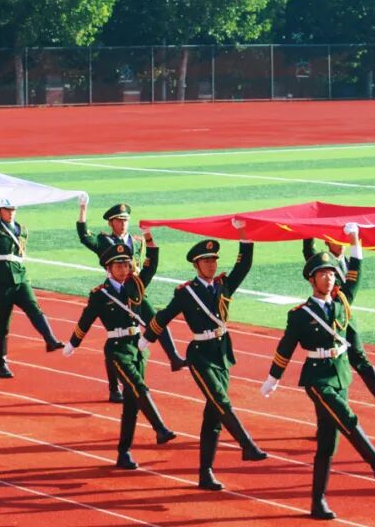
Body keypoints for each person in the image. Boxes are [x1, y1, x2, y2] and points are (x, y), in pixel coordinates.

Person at [262, 225, 375, 521]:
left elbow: (356, 272)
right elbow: (286, 347)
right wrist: (273, 378)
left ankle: (317, 502)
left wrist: (354, 240)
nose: (329, 278)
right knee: (347, 417)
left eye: (332, 274)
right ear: (312, 280)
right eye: (323, 274)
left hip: (340, 375)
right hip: (317, 378)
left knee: (327, 444)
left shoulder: (341, 303)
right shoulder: (300, 314)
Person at [142, 221, 267, 491]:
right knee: (221, 400)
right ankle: (247, 445)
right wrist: (146, 339)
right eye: (206, 261)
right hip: (200, 356)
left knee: (213, 415)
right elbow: (164, 316)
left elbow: (244, 265)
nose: (211, 265)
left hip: (222, 354)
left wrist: (243, 232)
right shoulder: (186, 293)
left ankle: (205, 473)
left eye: (213, 260)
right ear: (196, 265)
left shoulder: (223, 285)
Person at [63, 238, 176, 470]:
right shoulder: (100, 294)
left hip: (138, 348)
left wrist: (150, 240)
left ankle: (124, 453)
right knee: (138, 387)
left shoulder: (136, 285)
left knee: (132, 403)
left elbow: (151, 267)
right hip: (116, 348)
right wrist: (73, 343)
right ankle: (160, 428)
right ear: (108, 268)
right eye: (118, 266)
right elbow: (86, 319)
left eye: (126, 265)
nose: (124, 270)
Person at [77, 196, 186, 403]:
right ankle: (113, 388)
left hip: (136, 292)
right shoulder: (104, 241)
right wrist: (83, 208)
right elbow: (84, 236)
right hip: (115, 294)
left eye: (125, 220)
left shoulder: (137, 241)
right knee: (116, 340)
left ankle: (174, 357)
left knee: (157, 322)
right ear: (111, 223)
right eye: (119, 220)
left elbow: (145, 264)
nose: (123, 223)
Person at [302, 237, 375, 419]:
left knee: (360, 358)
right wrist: (308, 232)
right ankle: (330, 415)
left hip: (347, 319)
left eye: (343, 240)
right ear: (327, 242)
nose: (341, 243)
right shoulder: (322, 262)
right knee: (331, 367)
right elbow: (308, 251)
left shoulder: (348, 262)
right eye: (336, 240)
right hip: (328, 321)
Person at [0, 204, 64, 378]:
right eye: (7, 210)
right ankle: (2, 364)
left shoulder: (22, 229)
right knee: (3, 324)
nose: (11, 213)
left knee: (34, 308)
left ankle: (50, 339)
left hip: (20, 277)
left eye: (13, 210)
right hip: (2, 279)